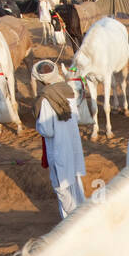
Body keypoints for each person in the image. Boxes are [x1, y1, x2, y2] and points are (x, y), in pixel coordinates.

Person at [32, 61, 87, 218]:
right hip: (73, 143)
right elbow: (75, 116)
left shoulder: (44, 99)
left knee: (61, 186)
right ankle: (83, 214)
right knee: (75, 182)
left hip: (57, 147)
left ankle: (71, 220)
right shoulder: (68, 90)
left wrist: (38, 125)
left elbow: (46, 130)